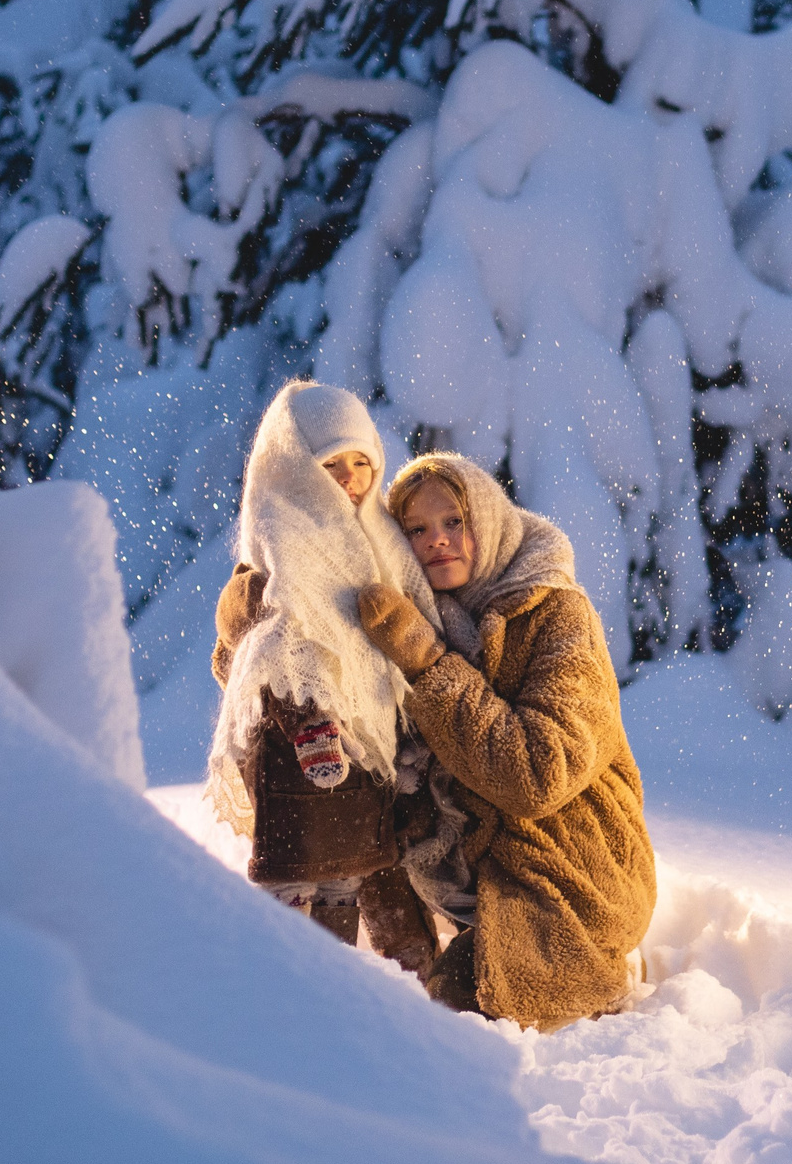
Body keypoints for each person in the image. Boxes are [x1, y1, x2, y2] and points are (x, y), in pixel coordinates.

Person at [357, 453, 657, 1031]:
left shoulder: (557, 612)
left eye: (454, 522)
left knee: (460, 1008)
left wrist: (430, 667)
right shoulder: (417, 612)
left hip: (575, 859)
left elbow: (541, 775)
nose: (437, 541)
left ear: (488, 521)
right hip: (475, 860)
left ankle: (602, 970)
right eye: (416, 530)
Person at [206, 381, 437, 975]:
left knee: (357, 861)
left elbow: (415, 610)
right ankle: (287, 975)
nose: (350, 478)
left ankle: (371, 970)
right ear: (291, 464)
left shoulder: (380, 535)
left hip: (369, 742)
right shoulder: (282, 535)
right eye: (331, 463)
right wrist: (304, 713)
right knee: (300, 861)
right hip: (298, 750)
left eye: (363, 461)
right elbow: (270, 649)